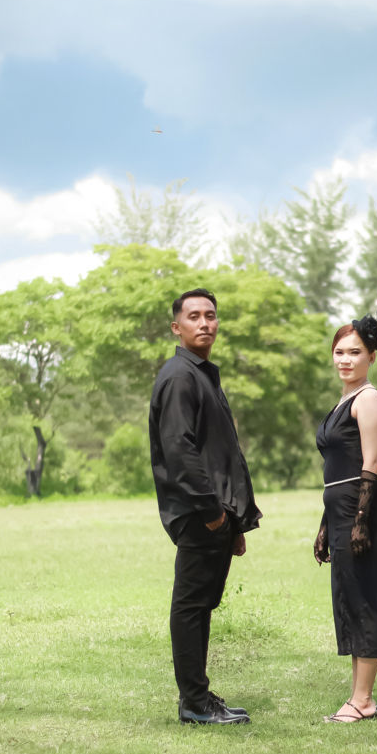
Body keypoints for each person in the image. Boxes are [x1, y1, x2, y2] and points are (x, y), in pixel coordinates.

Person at [149, 288, 261, 725]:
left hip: (216, 515)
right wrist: (213, 514)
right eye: (194, 316)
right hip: (200, 514)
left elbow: (223, 453)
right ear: (176, 327)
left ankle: (199, 697)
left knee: (199, 606)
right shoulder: (180, 376)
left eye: (210, 315)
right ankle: (194, 703)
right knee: (191, 606)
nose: (204, 323)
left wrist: (236, 522)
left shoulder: (202, 375)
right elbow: (180, 451)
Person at [314, 313, 377, 721]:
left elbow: (370, 463)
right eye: (340, 352)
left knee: (364, 598)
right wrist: (326, 525)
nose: (345, 360)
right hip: (341, 508)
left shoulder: (368, 399)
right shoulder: (343, 401)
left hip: (362, 508)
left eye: (355, 352)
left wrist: (360, 521)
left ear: (371, 357)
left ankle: (364, 701)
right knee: (348, 598)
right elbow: (336, 471)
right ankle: (358, 697)